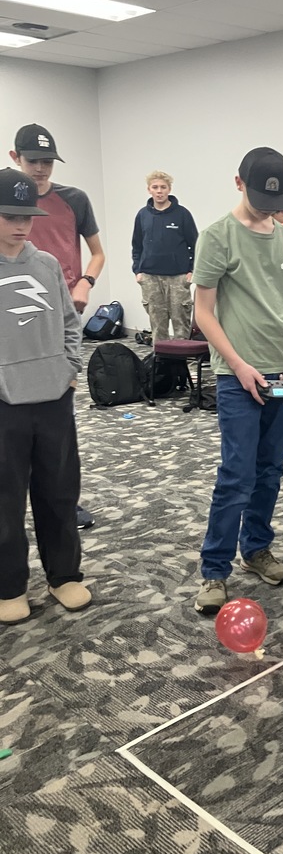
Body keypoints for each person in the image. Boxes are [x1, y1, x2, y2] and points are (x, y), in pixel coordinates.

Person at [193, 147, 283, 615]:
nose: (269, 209)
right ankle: (215, 570)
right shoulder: (217, 238)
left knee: (271, 470)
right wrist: (240, 365)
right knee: (236, 475)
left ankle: (257, 547)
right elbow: (204, 313)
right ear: (239, 183)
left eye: (277, 200)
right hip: (237, 378)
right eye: (261, 197)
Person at [0, 168, 91, 624]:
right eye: (10, 215)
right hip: (4, 406)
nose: (21, 225)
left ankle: (64, 576)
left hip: (53, 397)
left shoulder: (48, 264)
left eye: (27, 216)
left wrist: (70, 369)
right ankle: (9, 585)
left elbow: (71, 324)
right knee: (5, 500)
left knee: (58, 492)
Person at [10, 123, 105, 531]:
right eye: (34, 161)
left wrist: (87, 281)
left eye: (48, 162)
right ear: (15, 159)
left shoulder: (73, 200)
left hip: (62, 317)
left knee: (59, 425)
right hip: (15, 319)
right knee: (14, 425)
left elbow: (98, 253)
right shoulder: (7, 203)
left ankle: (65, 504)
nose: (41, 169)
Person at [132, 170, 198, 341]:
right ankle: (160, 365)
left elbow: (196, 244)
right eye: (155, 187)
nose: (159, 191)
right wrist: (137, 271)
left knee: (180, 324)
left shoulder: (182, 214)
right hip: (150, 278)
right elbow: (137, 245)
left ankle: (185, 365)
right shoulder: (142, 215)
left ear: (169, 189)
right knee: (157, 325)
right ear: (149, 190)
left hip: (178, 277)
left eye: (163, 187)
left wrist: (191, 271)